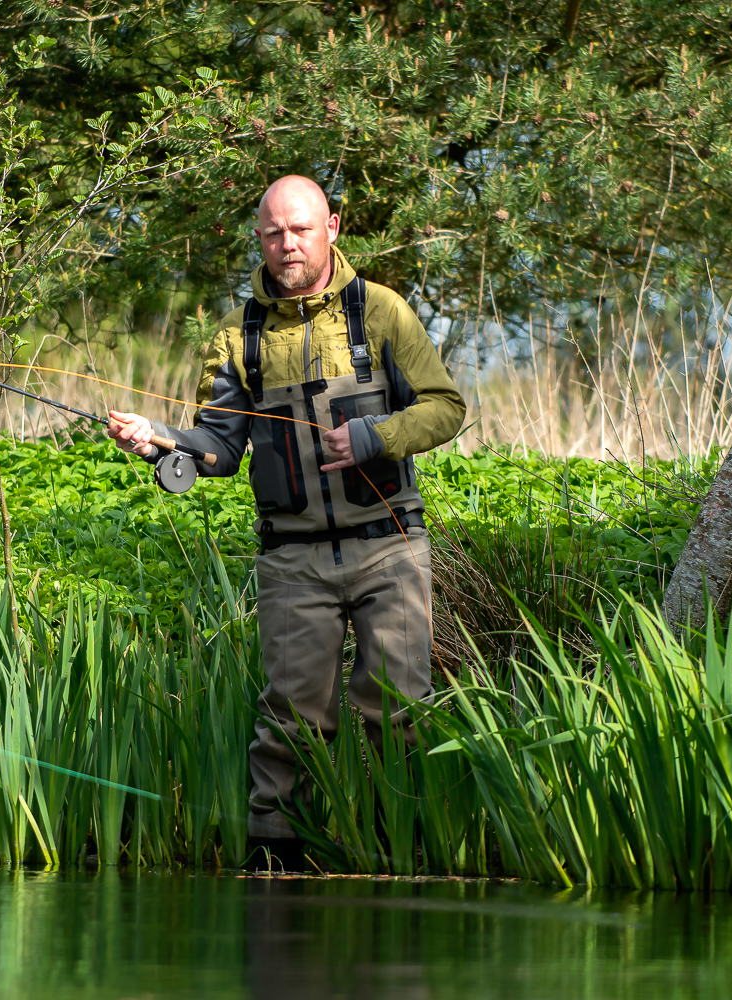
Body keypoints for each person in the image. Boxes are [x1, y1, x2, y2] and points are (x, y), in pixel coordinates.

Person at [108, 175, 465, 867]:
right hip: (291, 561)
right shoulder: (236, 339)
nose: (286, 244)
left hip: (388, 548)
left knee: (399, 716)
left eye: (299, 229)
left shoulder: (382, 313)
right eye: (273, 233)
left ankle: (411, 863)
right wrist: (160, 444)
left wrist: (375, 438)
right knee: (290, 725)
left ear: (331, 227)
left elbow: (445, 407)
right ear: (259, 239)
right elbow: (217, 450)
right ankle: (275, 875)